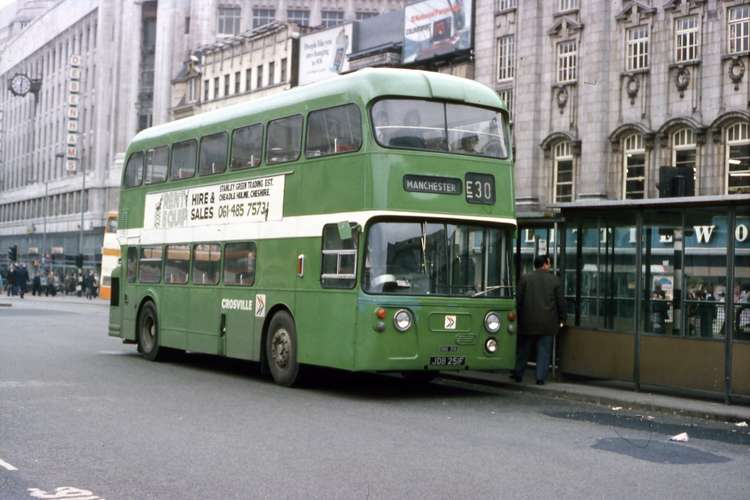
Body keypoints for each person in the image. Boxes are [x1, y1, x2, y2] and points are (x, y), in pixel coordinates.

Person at [511, 254, 566, 385]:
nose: (550, 265)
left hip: (527, 321)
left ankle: (518, 373)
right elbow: (560, 302)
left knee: (523, 349)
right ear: (545, 264)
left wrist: (518, 317)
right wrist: (563, 318)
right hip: (547, 323)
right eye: (549, 263)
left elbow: (518, 301)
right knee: (544, 351)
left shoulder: (525, 279)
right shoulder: (554, 280)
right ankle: (540, 377)